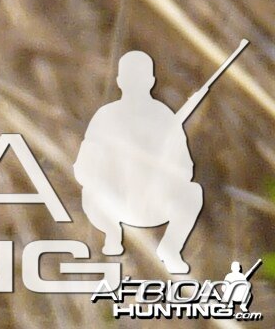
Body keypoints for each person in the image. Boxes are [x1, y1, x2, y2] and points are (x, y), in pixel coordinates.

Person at [79, 52, 207, 276]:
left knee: (193, 193)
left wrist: (162, 166)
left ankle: (170, 250)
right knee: (92, 195)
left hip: (155, 202)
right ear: (119, 82)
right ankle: (113, 242)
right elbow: (83, 168)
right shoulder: (106, 116)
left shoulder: (163, 116)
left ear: (151, 81)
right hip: (115, 204)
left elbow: (185, 169)